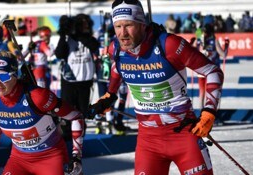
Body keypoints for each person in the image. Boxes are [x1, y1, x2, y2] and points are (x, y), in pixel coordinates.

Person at [89, 0, 224, 174]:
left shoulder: (170, 45)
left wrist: (209, 112)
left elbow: (213, 72)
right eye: (118, 26)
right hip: (148, 141)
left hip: (184, 134)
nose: (122, 33)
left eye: (128, 25)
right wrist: (109, 95)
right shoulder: (115, 48)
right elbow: (117, 69)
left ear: (142, 24)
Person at [0, 51, 84, 175]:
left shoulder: (38, 97)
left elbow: (76, 116)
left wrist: (76, 157)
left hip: (50, 156)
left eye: (4, 77)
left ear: (15, 75)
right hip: (19, 159)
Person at [55, 14, 100, 141]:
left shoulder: (89, 39)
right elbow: (59, 53)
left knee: (82, 110)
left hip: (85, 80)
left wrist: (80, 34)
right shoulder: (67, 39)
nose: (84, 26)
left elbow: (94, 46)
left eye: (86, 23)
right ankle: (66, 134)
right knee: (67, 109)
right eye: (81, 23)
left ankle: (79, 137)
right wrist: (64, 33)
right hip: (69, 79)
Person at [196, 24, 228, 108]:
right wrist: (227, 46)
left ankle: (202, 115)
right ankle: (209, 115)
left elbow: (194, 51)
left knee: (202, 94)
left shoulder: (199, 40)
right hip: (211, 72)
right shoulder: (214, 40)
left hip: (201, 70)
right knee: (210, 94)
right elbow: (223, 55)